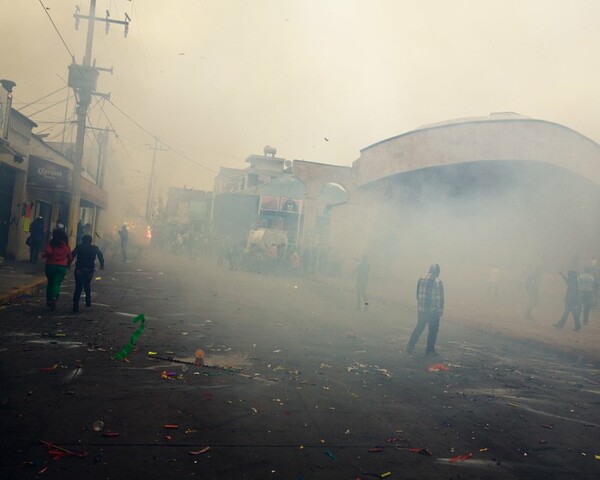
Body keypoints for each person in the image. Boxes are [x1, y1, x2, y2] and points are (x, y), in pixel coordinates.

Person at [407, 263, 445, 356]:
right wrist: (440, 309)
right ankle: (430, 350)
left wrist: (420, 304)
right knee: (433, 330)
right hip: (432, 310)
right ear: (438, 272)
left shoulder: (421, 278)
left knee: (419, 327)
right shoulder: (438, 281)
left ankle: (410, 345)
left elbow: (417, 293)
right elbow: (440, 297)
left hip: (421, 308)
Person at [71, 235, 105, 313]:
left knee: (78, 288)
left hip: (79, 269)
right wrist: (102, 264)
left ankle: (75, 307)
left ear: (83, 240)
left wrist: (68, 263)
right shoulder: (95, 248)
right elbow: (100, 255)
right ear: (91, 241)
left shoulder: (79, 247)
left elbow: (72, 254)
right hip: (89, 270)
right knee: (87, 284)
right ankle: (88, 301)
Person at [41, 228, 73, 310]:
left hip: (50, 266)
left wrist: (45, 255)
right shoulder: (66, 246)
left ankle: (49, 300)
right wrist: (68, 265)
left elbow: (47, 252)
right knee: (57, 284)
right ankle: (54, 297)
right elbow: (70, 257)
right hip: (61, 268)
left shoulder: (52, 244)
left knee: (50, 283)